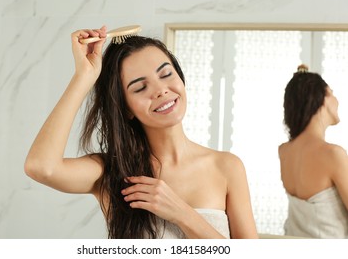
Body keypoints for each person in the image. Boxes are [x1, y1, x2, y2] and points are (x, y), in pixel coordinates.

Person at [24, 25, 258, 239]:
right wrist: (83, 76)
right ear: (126, 108)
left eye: (166, 74)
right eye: (140, 87)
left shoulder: (227, 167)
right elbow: (41, 167)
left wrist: (182, 214)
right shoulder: (112, 172)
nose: (160, 90)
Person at [279, 64, 348, 238]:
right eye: (332, 93)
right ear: (322, 99)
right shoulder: (332, 154)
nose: (338, 101)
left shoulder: (285, 151)